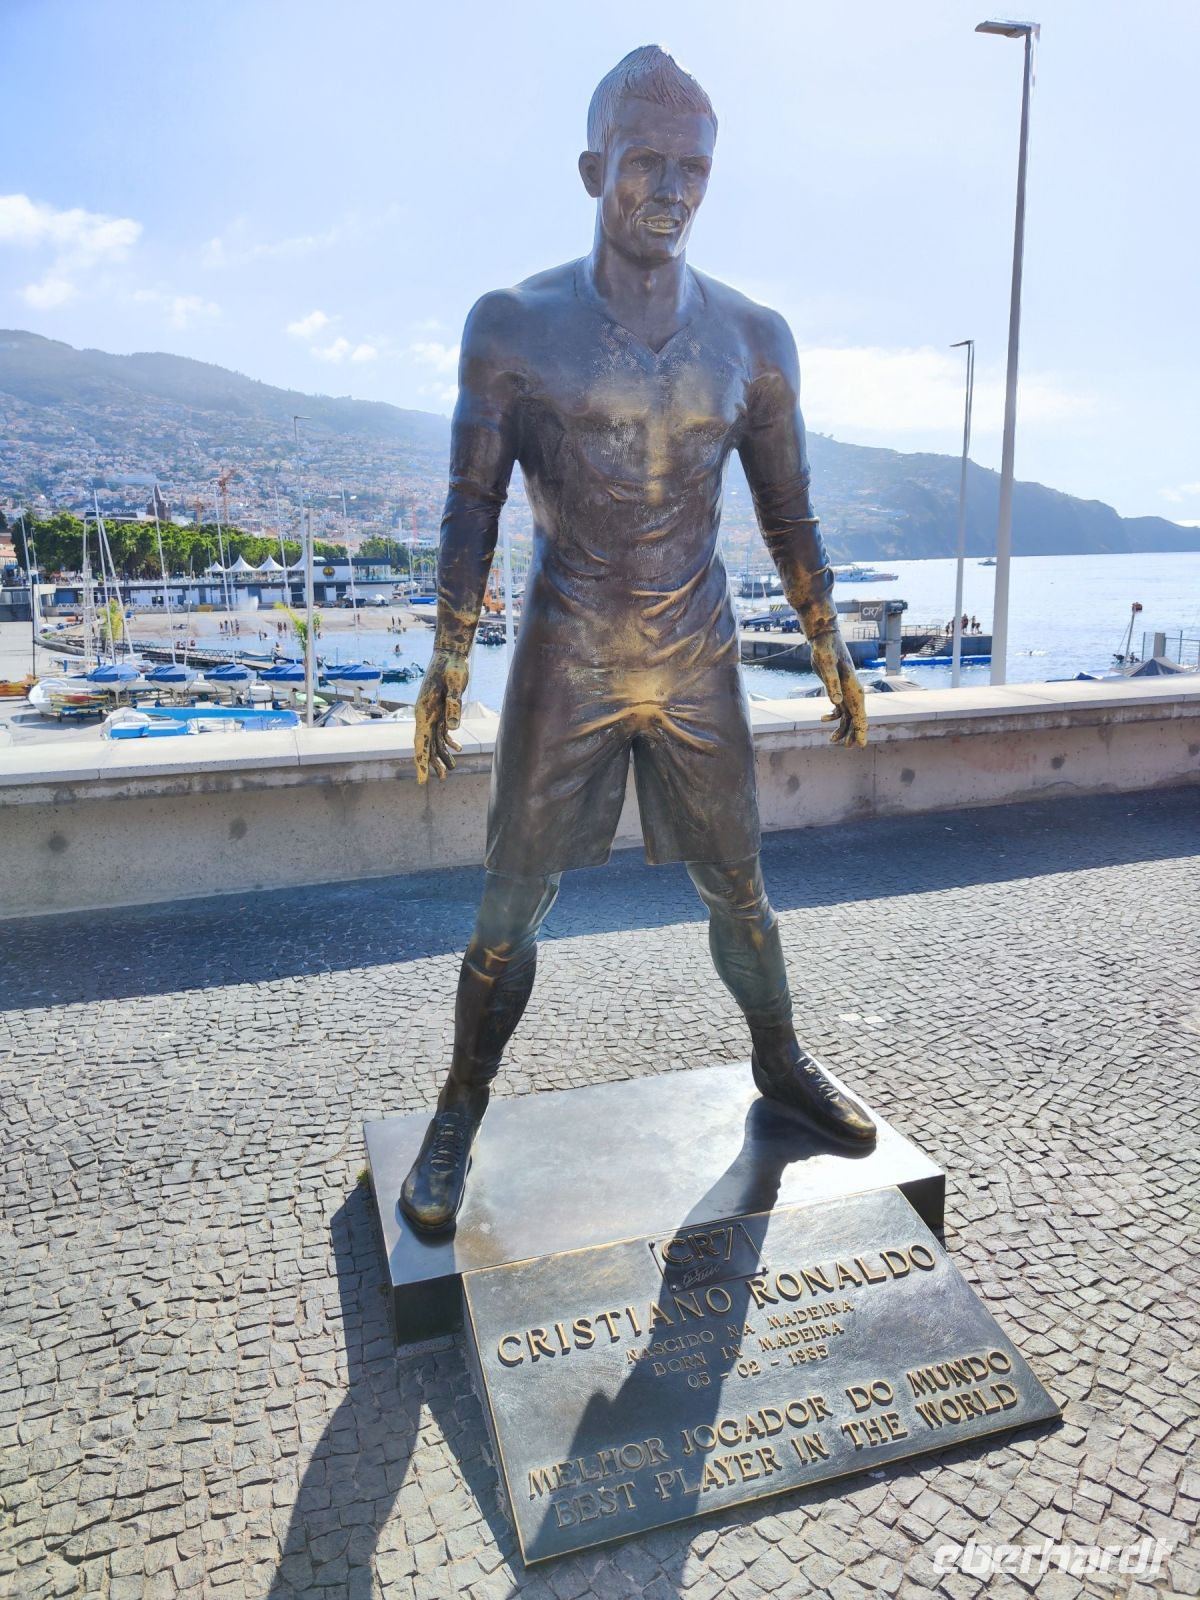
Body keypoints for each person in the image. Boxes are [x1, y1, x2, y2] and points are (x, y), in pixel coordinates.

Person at [401, 46, 873, 1233]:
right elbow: (472, 504)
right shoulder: (515, 325)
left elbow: (788, 509)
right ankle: (459, 1108)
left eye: (693, 168)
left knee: (740, 887)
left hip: (697, 649)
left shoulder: (755, 338)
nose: (671, 189)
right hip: (569, 647)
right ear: (591, 169)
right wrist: (450, 653)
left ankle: (780, 1057)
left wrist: (826, 636)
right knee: (512, 900)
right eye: (646, 162)